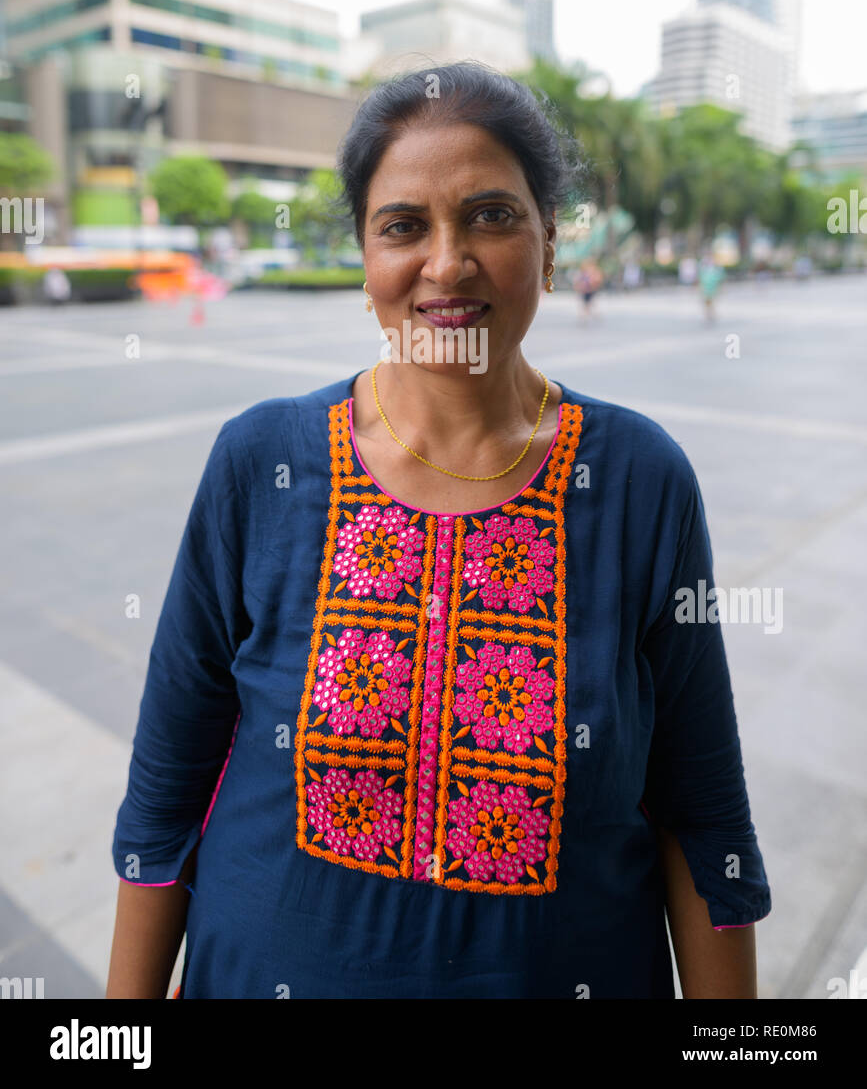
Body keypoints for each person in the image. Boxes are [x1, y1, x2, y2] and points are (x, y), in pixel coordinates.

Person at [107, 63, 771, 1000]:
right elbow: (166, 791)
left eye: (492, 216)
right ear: (366, 258)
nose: (446, 264)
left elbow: (700, 815)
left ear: (548, 244)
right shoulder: (261, 462)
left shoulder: (637, 479)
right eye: (403, 226)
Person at [698, 255, 724, 322]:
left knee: (709, 302)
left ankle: (710, 314)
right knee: (708, 302)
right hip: (707, 288)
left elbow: (719, 280)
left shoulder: (713, 271)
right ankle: (709, 314)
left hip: (710, 288)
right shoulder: (705, 271)